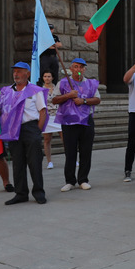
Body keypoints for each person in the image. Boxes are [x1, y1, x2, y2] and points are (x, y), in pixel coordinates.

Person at [0, 62, 48, 205]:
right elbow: (1, 110)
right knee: (17, 163)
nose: (16, 74)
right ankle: (21, 194)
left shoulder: (35, 90)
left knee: (35, 163)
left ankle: (39, 192)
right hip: (13, 130)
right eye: (14, 71)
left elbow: (43, 112)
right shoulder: (7, 91)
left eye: (19, 71)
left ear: (27, 73)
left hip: (30, 128)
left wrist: (37, 131)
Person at [53, 57, 101, 191]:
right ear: (71, 68)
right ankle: (69, 180)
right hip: (68, 121)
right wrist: (68, 95)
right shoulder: (63, 83)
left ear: (84, 69)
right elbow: (54, 100)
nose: (78, 69)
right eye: (75, 67)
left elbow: (97, 99)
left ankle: (83, 179)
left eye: (81, 67)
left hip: (86, 120)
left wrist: (84, 101)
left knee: (86, 151)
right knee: (70, 151)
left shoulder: (91, 83)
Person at [40, 71, 61, 170]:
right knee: (47, 139)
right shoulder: (40, 89)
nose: (47, 78)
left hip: (58, 115)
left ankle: (73, 159)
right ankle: (49, 162)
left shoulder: (58, 87)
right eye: (45, 76)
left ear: (52, 78)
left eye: (49, 76)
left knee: (65, 138)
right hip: (47, 116)